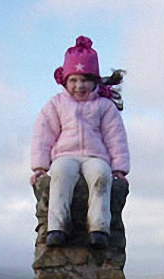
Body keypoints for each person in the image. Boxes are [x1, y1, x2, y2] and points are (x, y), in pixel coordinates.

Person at [30, 36, 130, 249]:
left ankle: (99, 228)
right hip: (64, 156)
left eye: (84, 80)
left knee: (101, 177)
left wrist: (119, 169)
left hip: (96, 156)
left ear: (94, 81)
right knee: (60, 174)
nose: (79, 85)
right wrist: (40, 167)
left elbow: (115, 137)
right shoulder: (56, 105)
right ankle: (57, 227)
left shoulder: (104, 107)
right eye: (73, 80)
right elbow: (43, 135)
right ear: (65, 81)